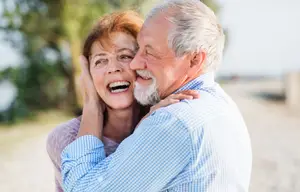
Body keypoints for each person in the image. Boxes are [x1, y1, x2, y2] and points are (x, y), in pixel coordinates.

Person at [61, 0, 252, 191]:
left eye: (149, 52)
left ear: (194, 60)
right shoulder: (224, 106)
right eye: (138, 50)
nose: (135, 64)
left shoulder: (174, 121)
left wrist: (91, 102)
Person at [46, 10, 198, 192]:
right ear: (88, 74)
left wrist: (146, 128)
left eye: (125, 56)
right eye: (100, 61)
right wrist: (91, 103)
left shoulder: (164, 122)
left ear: (144, 62)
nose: (113, 68)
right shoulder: (65, 138)